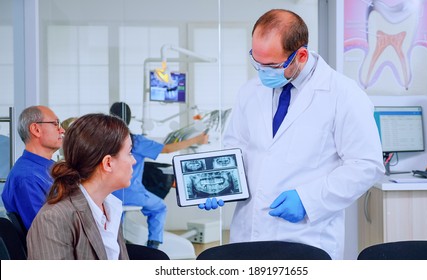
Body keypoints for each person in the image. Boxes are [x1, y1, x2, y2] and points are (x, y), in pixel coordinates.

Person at [202, 9, 384, 260]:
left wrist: (308, 199)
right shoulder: (250, 91)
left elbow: (366, 165)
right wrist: (220, 184)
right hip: (248, 233)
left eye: (272, 65)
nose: (262, 71)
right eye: (256, 62)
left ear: (300, 55)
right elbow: (236, 147)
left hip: (306, 237)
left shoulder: (343, 94)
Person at [27, 113, 135, 260]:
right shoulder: (53, 219)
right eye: (129, 153)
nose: (133, 160)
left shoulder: (110, 208)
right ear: (108, 163)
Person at [109, 102, 209, 249]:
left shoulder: (104, 141)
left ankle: (116, 244)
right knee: (160, 207)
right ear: (129, 119)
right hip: (132, 193)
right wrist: (197, 140)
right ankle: (153, 245)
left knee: (118, 214)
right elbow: (167, 149)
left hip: (110, 194)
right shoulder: (136, 141)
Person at [1, 105, 65, 229]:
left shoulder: (49, 168)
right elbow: (46, 232)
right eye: (55, 124)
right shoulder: (27, 178)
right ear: (36, 129)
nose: (62, 130)